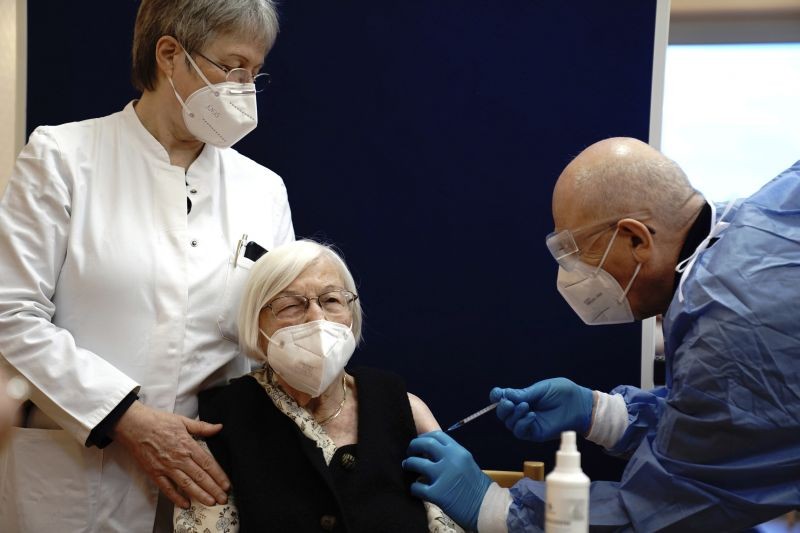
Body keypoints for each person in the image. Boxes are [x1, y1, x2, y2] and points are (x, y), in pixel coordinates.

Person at [403, 137, 800, 532]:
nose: (569, 276)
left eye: (574, 253)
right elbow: (732, 429)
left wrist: (494, 508)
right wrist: (604, 414)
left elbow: (665, 510)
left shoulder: (727, 323)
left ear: (635, 239)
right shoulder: (764, 220)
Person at [0, 1, 293, 530]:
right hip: (82, 470)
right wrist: (125, 417)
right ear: (169, 54)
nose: (246, 88)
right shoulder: (63, 157)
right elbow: (11, 314)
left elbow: (275, 337)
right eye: (234, 68)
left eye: (256, 72)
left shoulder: (263, 190)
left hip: (211, 479)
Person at [175, 239, 462, 532]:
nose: (317, 317)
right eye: (290, 305)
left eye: (331, 301)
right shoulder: (224, 422)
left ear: (352, 314)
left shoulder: (404, 408)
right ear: (257, 328)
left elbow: (451, 518)